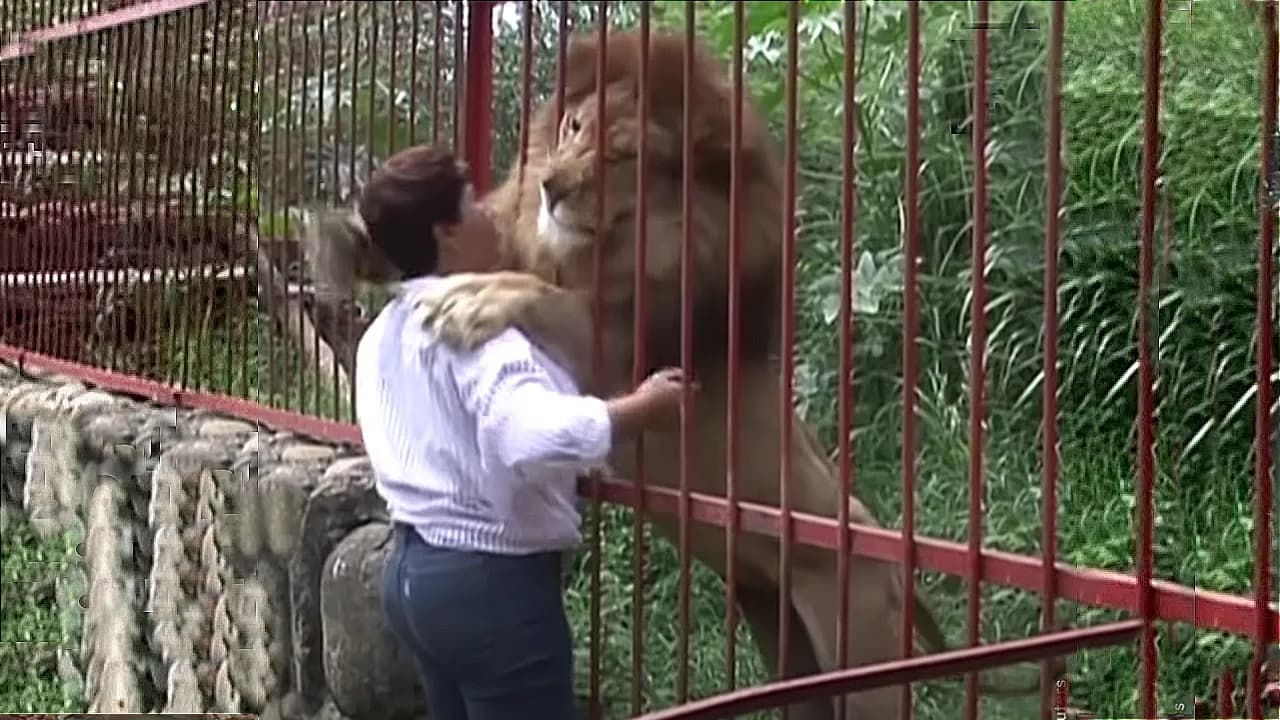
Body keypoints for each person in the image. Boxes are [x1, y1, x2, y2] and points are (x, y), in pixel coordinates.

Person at [306, 144, 689, 720]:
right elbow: (529, 438)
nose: (491, 211)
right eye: (472, 204)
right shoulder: (475, 331)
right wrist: (640, 408)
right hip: (490, 587)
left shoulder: (382, 334)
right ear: (447, 234)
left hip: (412, 574)